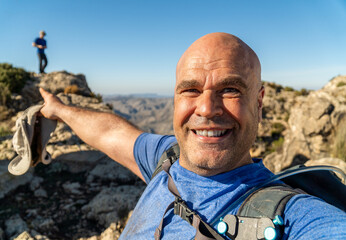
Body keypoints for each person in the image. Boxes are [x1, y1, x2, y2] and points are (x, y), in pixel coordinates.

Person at [39, 32, 345, 239]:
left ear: (259, 102)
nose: (207, 108)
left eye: (230, 89)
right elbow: (110, 133)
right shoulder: (167, 156)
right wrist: (60, 110)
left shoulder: (293, 217)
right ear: (175, 99)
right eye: (191, 90)